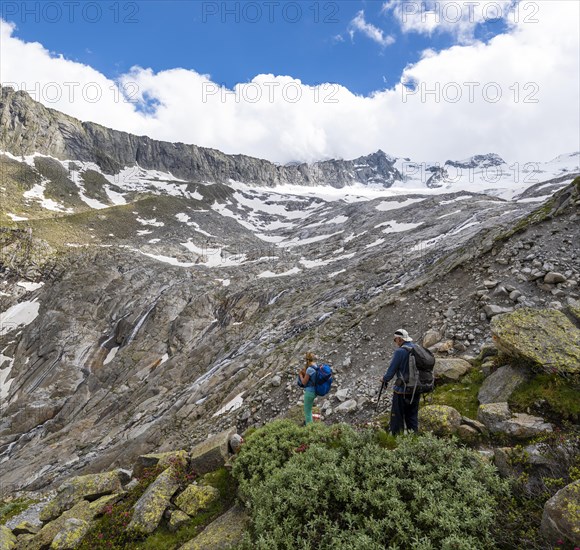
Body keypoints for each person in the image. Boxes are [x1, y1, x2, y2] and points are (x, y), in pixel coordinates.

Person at [382, 329, 420, 435]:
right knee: (412, 416)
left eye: (395, 340)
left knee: (397, 416)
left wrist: (384, 379)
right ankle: (414, 438)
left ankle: (396, 439)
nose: (395, 342)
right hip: (416, 389)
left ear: (399, 339)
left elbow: (392, 370)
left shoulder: (400, 352)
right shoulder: (416, 348)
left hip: (402, 391)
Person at [298, 352, 317, 424]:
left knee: (307, 412)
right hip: (314, 391)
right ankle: (310, 426)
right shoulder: (315, 365)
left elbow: (303, 382)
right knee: (309, 410)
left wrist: (300, 375)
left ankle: (310, 429)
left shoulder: (309, 369)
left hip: (309, 392)